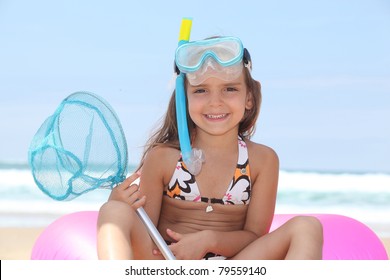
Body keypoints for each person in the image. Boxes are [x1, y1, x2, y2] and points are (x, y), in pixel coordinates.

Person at [97, 35, 323, 260]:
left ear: (249, 98)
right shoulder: (164, 157)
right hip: (167, 263)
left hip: (233, 268)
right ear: (184, 99)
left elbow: (255, 236)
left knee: (307, 227)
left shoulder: (262, 160)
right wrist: (122, 204)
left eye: (230, 89)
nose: (215, 101)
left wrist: (209, 240)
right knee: (113, 211)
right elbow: (146, 231)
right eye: (201, 90)